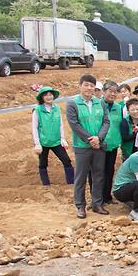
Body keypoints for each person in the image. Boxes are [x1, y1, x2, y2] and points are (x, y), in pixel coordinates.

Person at [66, 74, 110, 219]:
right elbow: (74, 124)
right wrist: (89, 139)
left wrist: (99, 138)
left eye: (92, 86)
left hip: (98, 145)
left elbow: (106, 122)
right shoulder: (73, 103)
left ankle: (97, 203)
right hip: (82, 146)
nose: (89, 88)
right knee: (81, 177)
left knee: (98, 175)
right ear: (80, 86)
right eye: (86, 85)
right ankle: (80, 206)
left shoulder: (100, 103)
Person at [31, 86, 74, 186]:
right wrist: (37, 144)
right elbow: (34, 127)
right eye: (46, 95)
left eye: (50, 95)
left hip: (56, 141)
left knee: (66, 160)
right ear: (42, 97)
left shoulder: (56, 108)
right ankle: (46, 184)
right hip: (43, 142)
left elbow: (60, 124)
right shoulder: (37, 110)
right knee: (43, 163)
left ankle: (71, 182)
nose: (48, 97)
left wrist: (62, 138)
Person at [101, 82, 124, 204]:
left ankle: (107, 197)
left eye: (115, 91)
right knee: (98, 172)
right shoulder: (97, 105)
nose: (113, 93)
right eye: (110, 91)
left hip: (113, 145)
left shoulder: (118, 107)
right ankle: (97, 197)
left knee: (109, 171)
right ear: (104, 91)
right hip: (99, 145)